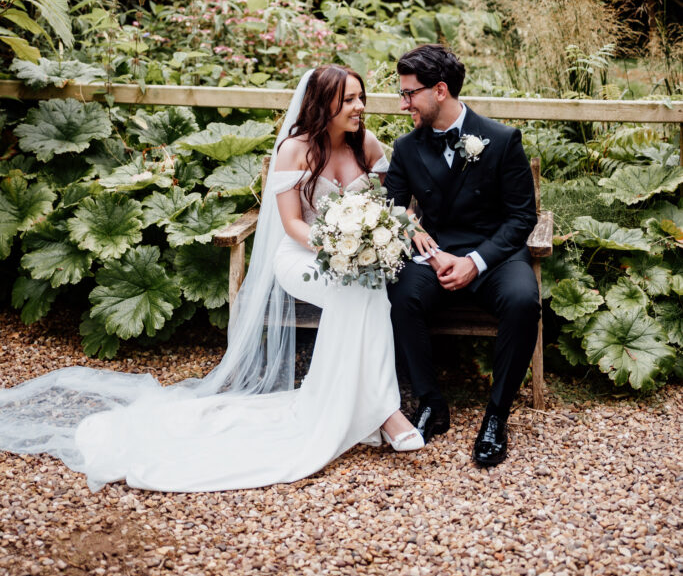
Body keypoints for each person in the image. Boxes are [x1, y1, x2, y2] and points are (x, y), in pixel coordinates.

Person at [0, 66, 421, 493]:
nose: (360, 107)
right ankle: (385, 412)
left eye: (360, 97)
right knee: (360, 290)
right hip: (303, 257)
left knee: (361, 290)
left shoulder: (366, 145)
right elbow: (292, 224)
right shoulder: (295, 150)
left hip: (352, 262)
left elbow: (387, 206)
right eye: (348, 99)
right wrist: (335, 248)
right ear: (323, 103)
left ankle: (369, 408)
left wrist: (372, 240)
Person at [384, 44, 540, 467]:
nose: (402, 104)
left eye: (408, 93)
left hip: (494, 257)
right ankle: (431, 402)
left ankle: (496, 416)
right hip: (434, 257)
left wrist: (476, 261)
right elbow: (392, 207)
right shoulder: (406, 147)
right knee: (401, 297)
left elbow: (523, 215)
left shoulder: (503, 139)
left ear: (439, 90)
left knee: (525, 301)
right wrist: (414, 230)